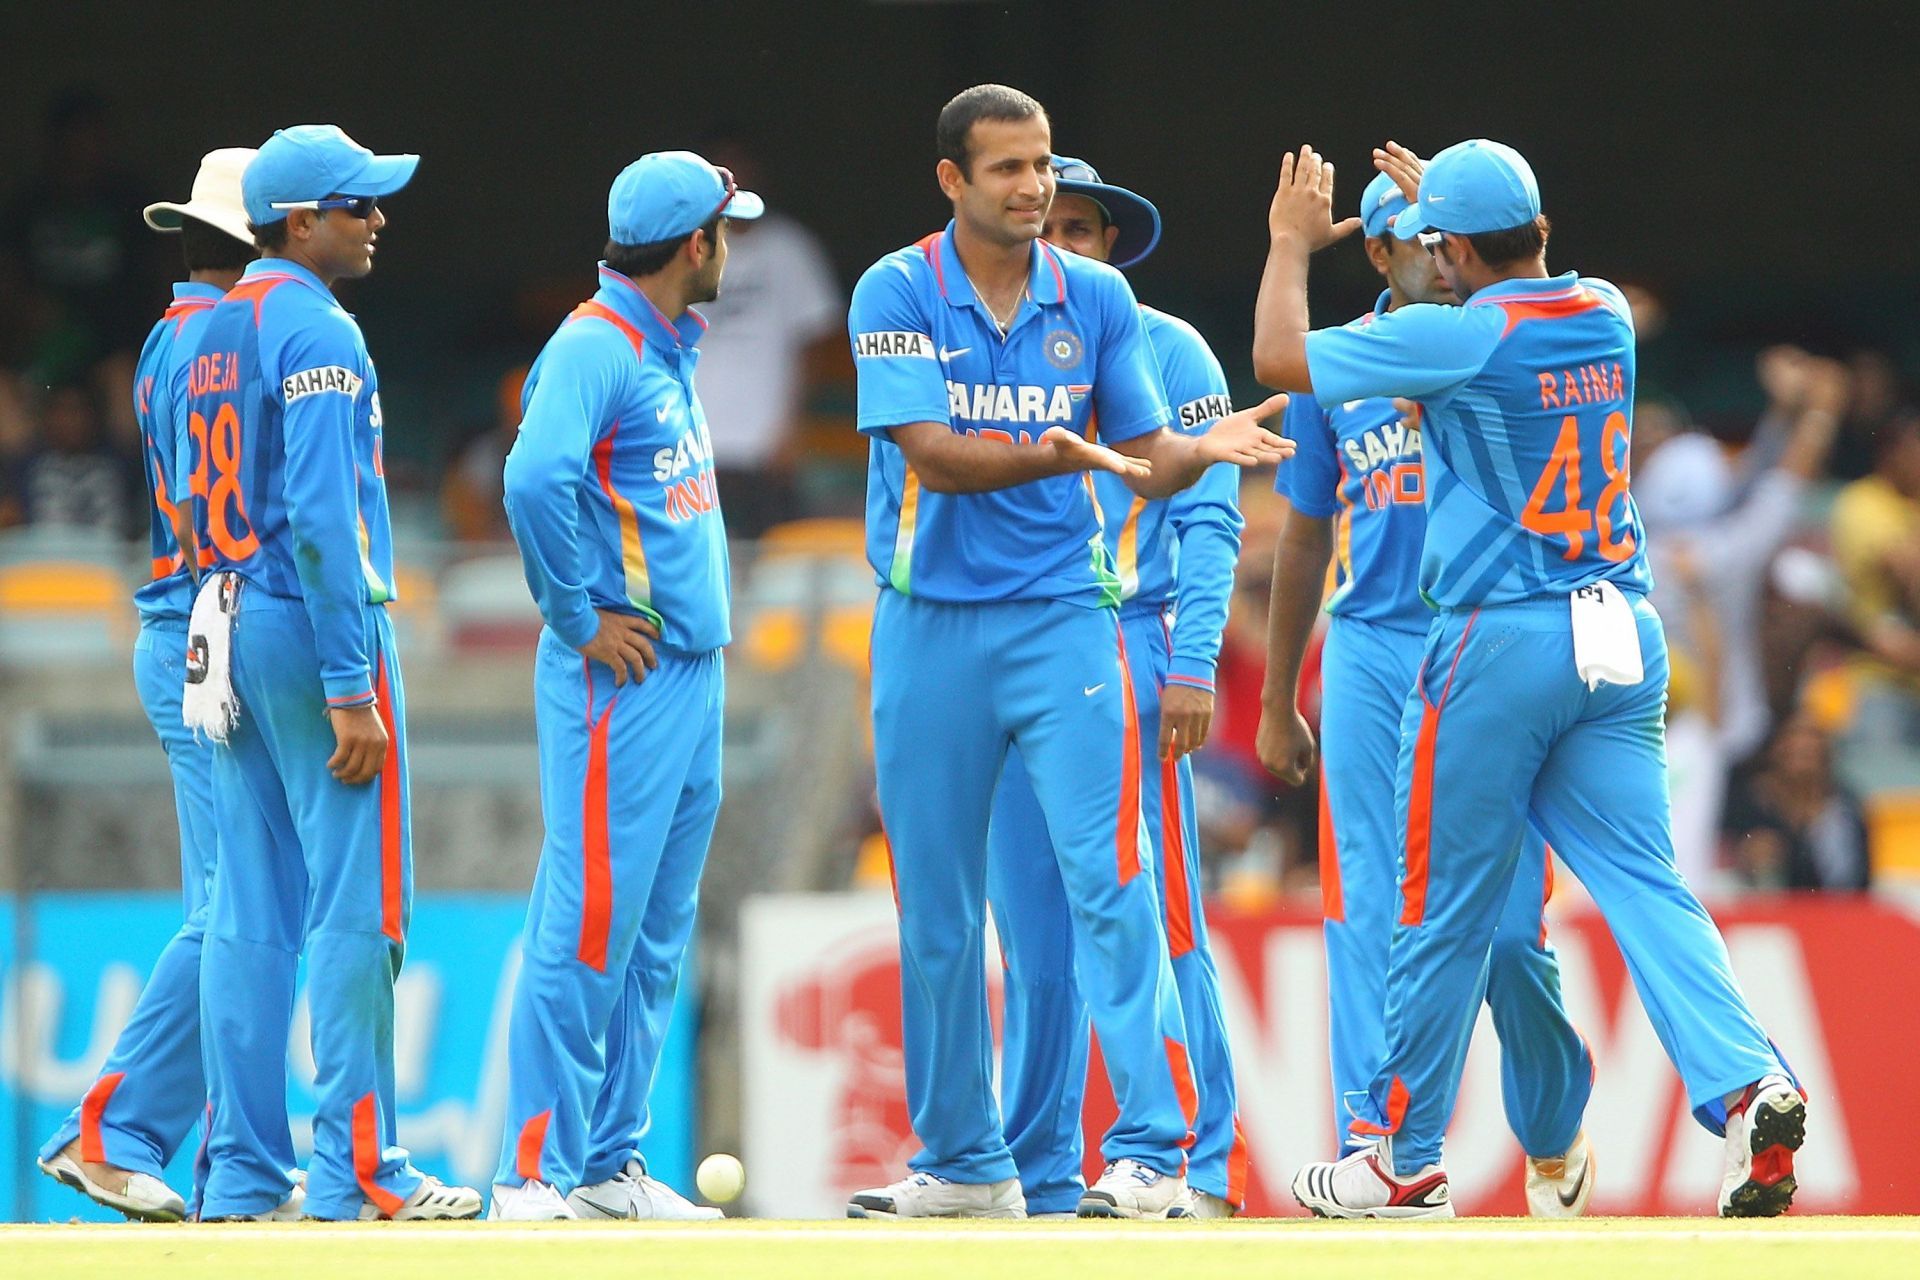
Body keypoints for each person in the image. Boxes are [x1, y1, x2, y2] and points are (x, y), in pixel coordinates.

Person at [1255, 139, 1805, 1218]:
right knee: (1648, 882)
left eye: (1437, 244)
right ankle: (1750, 1084)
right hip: (1622, 638)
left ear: (1448, 248)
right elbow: (1522, 262)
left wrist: (1285, 242)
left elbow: (1280, 359)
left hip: (1500, 640)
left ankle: (1398, 1153)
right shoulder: (1600, 307)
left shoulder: (1460, 337)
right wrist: (1463, 212)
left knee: (1434, 901)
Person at [846, 84, 1291, 1222]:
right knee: (938, 906)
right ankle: (964, 1158)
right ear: (952, 179)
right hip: (927, 620)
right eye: (1009, 169)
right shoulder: (895, 288)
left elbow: (1142, 453)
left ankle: (1153, 1146)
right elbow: (935, 458)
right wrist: (1067, 456)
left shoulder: (1095, 297)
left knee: (1114, 880)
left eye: (1042, 165)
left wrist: (1201, 449)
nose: (1035, 187)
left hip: (1062, 618)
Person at [1256, 170, 1595, 1217]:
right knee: (1365, 902)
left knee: (1503, 930)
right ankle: (1381, 1147)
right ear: (1378, 253)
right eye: (1418, 242)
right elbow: (1308, 529)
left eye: (1452, 241)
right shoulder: (1348, 364)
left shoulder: (1500, 339)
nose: (1441, 262)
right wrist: (1277, 696)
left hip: (1486, 647)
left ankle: (1550, 1119)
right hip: (1370, 649)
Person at [185, 124, 478, 1222]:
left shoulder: (211, 327)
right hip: (312, 632)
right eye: (359, 204)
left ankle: (244, 1174)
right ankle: (359, 1170)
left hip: (224, 616)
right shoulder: (320, 328)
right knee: (358, 905)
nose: (377, 219)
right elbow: (320, 519)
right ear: (301, 220)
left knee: (249, 908)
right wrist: (351, 681)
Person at [488, 150, 756, 1222]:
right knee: (589, 917)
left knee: (652, 930)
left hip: (689, 672)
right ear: (695, 244)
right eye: (725, 232)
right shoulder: (596, 343)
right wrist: (574, 613)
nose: (731, 247)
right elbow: (530, 476)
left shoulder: (661, 343)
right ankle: (530, 1171)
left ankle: (605, 1165)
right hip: (625, 677)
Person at [982, 155, 1248, 1220]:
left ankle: (1204, 1161)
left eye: (1085, 229)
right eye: (1056, 227)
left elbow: (1214, 517)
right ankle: (1035, 1166)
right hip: (1015, 644)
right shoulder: (994, 350)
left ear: (1113, 245)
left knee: (1159, 911)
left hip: (1129, 641)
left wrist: (1191, 665)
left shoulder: (1169, 346)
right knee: (1034, 932)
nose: (1065, 245)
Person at [35, 147, 280, 1224]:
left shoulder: (166, 336)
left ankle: (223, 1155)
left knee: (236, 901)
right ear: (252, 241)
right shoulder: (226, 337)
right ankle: (116, 1127)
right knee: (241, 902)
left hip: (187, 626)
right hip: (204, 629)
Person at [683, 132, 843, 538]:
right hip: (694, 441)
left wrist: (794, 427)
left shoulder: (790, 248)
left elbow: (817, 343)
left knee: (772, 554)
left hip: (768, 442)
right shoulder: (687, 251)